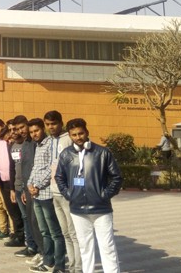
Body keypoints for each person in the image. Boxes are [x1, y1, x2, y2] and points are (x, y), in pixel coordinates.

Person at [55, 118, 122, 273]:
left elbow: (117, 177)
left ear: (87, 132)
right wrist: (69, 194)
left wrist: (104, 195)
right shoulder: (66, 155)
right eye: (74, 135)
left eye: (81, 133)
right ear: (70, 136)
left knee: (108, 247)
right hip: (77, 209)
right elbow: (59, 177)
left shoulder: (103, 153)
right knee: (85, 248)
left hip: (101, 209)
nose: (78, 137)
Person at [45, 110, 82, 273]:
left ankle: (78, 268)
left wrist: (75, 190)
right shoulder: (51, 140)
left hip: (68, 194)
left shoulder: (69, 139)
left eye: (53, 124)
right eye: (47, 124)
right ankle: (72, 266)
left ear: (61, 123)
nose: (50, 127)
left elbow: (80, 166)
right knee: (65, 233)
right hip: (55, 193)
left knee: (74, 234)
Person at [28, 118, 66, 273]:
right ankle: (47, 261)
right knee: (44, 231)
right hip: (36, 194)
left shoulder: (51, 143)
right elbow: (36, 168)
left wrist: (37, 185)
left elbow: (52, 167)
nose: (34, 134)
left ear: (42, 129)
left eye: (36, 130)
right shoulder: (38, 145)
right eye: (31, 132)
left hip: (47, 193)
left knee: (55, 232)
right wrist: (30, 184)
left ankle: (59, 264)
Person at [10, 115, 42, 261]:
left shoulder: (36, 143)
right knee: (29, 219)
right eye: (17, 129)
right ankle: (35, 248)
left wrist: (31, 186)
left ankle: (42, 252)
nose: (21, 131)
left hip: (37, 189)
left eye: (23, 127)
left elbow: (38, 167)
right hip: (26, 188)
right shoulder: (26, 144)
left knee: (39, 222)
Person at [0, 118, 25, 247]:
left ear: (3, 126)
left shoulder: (11, 141)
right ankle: (16, 235)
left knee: (18, 212)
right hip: (2, 181)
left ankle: (21, 236)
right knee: (12, 211)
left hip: (14, 181)